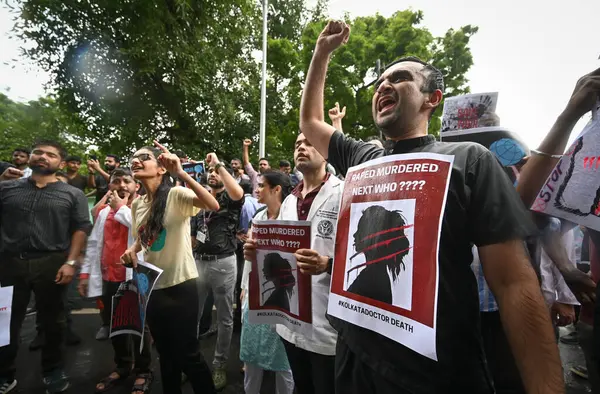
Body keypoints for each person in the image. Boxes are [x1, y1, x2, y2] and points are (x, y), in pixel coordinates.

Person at [298, 20, 563, 393]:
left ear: (431, 99)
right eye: (379, 84)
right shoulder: (361, 158)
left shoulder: (468, 160)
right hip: (354, 364)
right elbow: (311, 123)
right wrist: (321, 53)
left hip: (433, 376)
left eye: (400, 78)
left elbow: (513, 282)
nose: (383, 86)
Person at [245, 132, 343, 394]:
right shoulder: (289, 201)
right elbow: (278, 255)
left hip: (327, 325)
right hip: (289, 320)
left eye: (309, 142)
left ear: (326, 150)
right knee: (302, 386)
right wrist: (256, 252)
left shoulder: (344, 193)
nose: (301, 146)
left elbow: (361, 254)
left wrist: (327, 264)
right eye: (297, 143)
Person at [120, 141, 219, 394]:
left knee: (188, 354)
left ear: (161, 168)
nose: (136, 160)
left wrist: (182, 174)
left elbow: (212, 204)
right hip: (152, 288)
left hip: (182, 285)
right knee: (164, 353)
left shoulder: (176, 195)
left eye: (144, 157)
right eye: (134, 157)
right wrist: (131, 252)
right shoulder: (136, 204)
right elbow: (141, 241)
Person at [0, 140, 91, 394]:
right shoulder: (7, 188)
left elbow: (81, 228)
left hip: (52, 262)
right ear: (29, 157)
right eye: (38, 152)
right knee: (4, 321)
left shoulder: (72, 194)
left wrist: (71, 262)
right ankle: (4, 373)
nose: (43, 157)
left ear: (60, 163)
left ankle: (53, 370)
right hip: (9, 262)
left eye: (50, 155)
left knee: (54, 321)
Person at [78, 168, 154, 394]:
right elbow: (94, 244)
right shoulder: (103, 213)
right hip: (108, 276)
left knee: (138, 326)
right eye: (116, 181)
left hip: (134, 275)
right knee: (115, 324)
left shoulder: (143, 205)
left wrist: (119, 207)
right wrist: (85, 274)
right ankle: (123, 365)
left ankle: (144, 370)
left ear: (136, 186)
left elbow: (142, 230)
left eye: (127, 181)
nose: (121, 185)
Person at [192, 154, 244, 390]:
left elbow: (238, 194)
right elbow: (193, 236)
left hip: (223, 263)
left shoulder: (230, 199)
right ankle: (191, 362)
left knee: (224, 317)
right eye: (210, 171)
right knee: (192, 314)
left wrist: (219, 165)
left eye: (217, 172)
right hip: (198, 262)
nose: (212, 173)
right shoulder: (199, 202)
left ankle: (219, 364)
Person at [240, 170, 295, 394]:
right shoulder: (259, 218)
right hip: (256, 290)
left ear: (276, 189)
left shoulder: (294, 218)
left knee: (284, 358)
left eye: (262, 186)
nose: (257, 189)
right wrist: (244, 287)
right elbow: (249, 258)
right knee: (252, 351)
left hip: (284, 294)